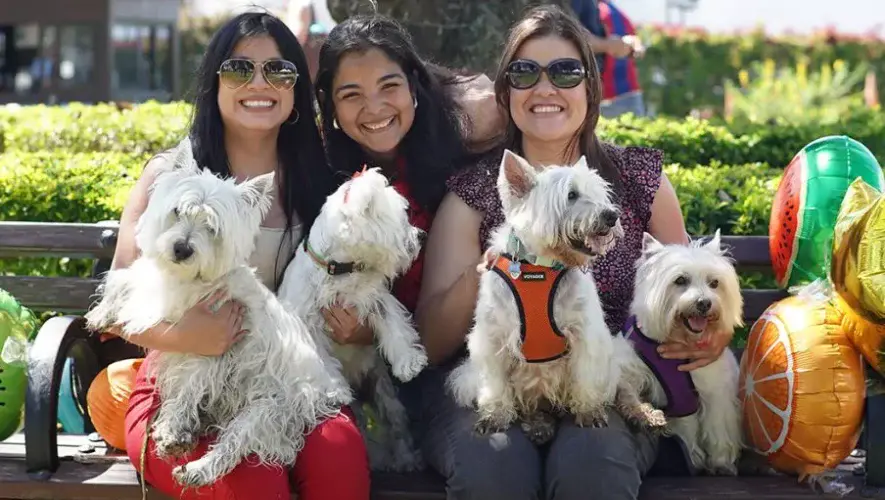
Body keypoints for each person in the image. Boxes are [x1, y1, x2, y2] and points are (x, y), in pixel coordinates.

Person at [414, 5, 732, 499]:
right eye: (524, 73)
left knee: (594, 465)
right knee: (495, 467)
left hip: (602, 381)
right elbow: (431, 346)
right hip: (491, 381)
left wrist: (707, 336)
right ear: (506, 92)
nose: (545, 88)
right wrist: (492, 275)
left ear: (591, 88)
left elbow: (692, 286)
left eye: (565, 72)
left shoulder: (637, 179)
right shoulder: (475, 191)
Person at [108, 12, 370, 500]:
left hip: (290, 380)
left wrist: (361, 327)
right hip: (183, 383)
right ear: (214, 82)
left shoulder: (323, 181)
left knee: (340, 460)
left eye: (279, 71)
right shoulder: (172, 175)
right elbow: (116, 304)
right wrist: (190, 335)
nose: (259, 83)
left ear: (296, 89)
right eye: (239, 69)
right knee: (252, 484)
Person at [598, 0, 647, 118]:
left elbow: (633, 39)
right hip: (608, 95)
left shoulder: (609, 10)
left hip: (621, 93)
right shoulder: (606, 10)